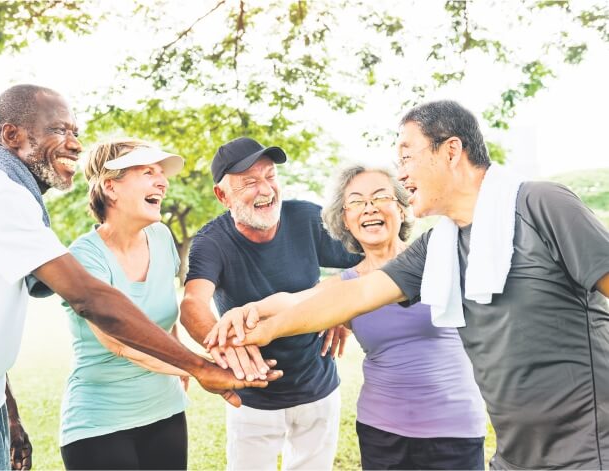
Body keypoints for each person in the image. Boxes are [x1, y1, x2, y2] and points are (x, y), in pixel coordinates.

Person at [214, 100, 609, 469]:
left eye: (407, 157)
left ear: (451, 151)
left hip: (591, 447)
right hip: (515, 453)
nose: (401, 173)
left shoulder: (541, 204)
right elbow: (356, 293)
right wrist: (258, 326)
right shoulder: (440, 244)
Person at [0, 85, 279, 471]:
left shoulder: (11, 201)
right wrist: (199, 367)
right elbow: (92, 300)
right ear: (11, 135)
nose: (73, 143)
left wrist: (9, 414)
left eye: (75, 132)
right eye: (58, 130)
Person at [209, 162, 487, 469]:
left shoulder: (439, 258)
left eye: (380, 197)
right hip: (381, 431)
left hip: (454, 429)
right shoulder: (346, 284)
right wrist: (245, 311)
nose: (368, 208)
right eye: (355, 202)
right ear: (345, 220)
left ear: (402, 207)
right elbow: (294, 301)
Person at [180, 137, 361, 470]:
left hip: (318, 390)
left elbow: (372, 256)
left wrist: (339, 305)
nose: (265, 189)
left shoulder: (307, 218)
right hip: (251, 399)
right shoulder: (211, 241)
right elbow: (193, 302)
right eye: (249, 182)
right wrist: (224, 345)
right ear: (223, 196)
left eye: (270, 176)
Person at [58, 139, 198, 470]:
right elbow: (121, 342)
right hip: (99, 423)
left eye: (162, 173)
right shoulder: (85, 257)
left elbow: (163, 317)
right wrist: (199, 367)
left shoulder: (162, 238)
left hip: (165, 411)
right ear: (111, 187)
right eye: (148, 171)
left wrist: (178, 355)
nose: (162, 181)